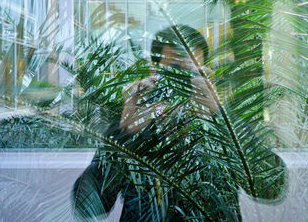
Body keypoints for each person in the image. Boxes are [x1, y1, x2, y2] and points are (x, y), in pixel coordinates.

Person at [72, 25, 217, 221]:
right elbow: (88, 207)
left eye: (190, 75)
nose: (181, 85)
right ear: (153, 72)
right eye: (173, 72)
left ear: (206, 75)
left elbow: (267, 190)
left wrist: (219, 116)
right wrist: (125, 133)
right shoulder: (137, 129)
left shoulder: (223, 131)